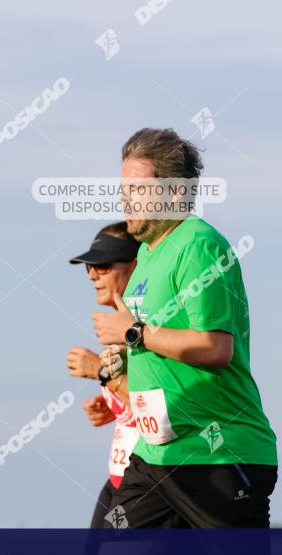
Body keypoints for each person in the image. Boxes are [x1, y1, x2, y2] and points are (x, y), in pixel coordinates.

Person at [92, 127, 277, 531]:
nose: (125, 198)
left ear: (176, 192)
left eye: (138, 188)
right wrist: (126, 358)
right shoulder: (146, 252)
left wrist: (133, 334)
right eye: (123, 187)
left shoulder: (199, 244)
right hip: (155, 457)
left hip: (217, 456)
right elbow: (157, 337)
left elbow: (215, 348)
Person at [67, 222, 140, 529]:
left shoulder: (144, 325)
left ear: (136, 266)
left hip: (148, 478)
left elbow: (161, 400)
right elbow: (134, 398)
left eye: (103, 265)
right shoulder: (116, 327)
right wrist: (112, 406)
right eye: (88, 267)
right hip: (118, 475)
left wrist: (100, 371)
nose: (92, 274)